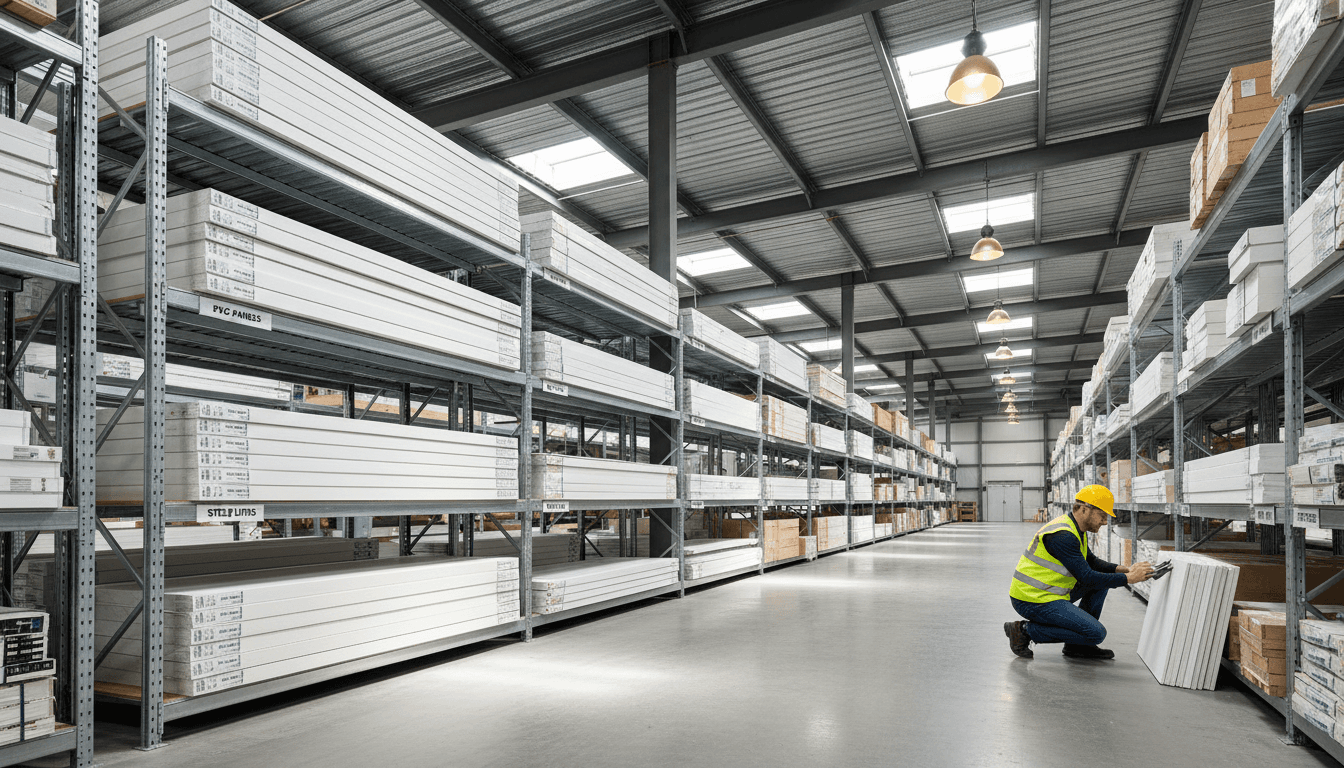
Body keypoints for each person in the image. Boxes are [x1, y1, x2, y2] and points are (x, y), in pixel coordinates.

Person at [1003, 485, 1153, 660]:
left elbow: (1091, 562)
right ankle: (1023, 631)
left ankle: (1077, 647)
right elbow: (1087, 577)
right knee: (1096, 633)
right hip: (1031, 598)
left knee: (1101, 585)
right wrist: (1128, 578)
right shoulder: (1063, 535)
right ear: (1084, 509)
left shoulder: (1077, 529)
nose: (1105, 522)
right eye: (1102, 515)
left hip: (1049, 591)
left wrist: (1124, 569)